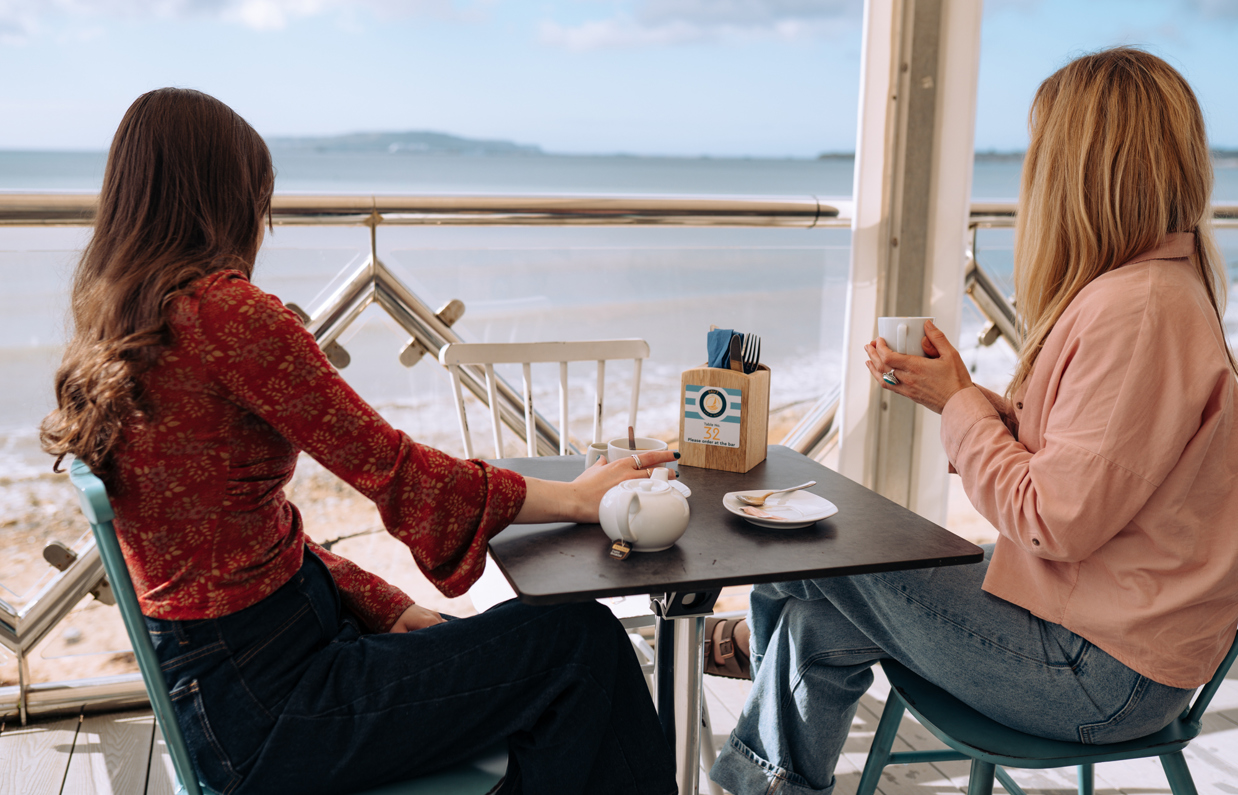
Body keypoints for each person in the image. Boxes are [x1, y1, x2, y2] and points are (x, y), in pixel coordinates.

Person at [40, 87, 677, 795]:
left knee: (537, 654)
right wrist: (581, 499)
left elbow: (242, 538)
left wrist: (384, 603)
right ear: (224, 198)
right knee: (578, 644)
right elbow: (396, 470)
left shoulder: (119, 326)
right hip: (275, 707)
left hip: (227, 697)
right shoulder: (226, 315)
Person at [707, 47, 1238, 795]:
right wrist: (967, 396)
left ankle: (746, 673)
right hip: (1098, 626)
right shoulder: (1157, 290)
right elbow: (1105, 463)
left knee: (817, 547)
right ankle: (761, 766)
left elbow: (1051, 517)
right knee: (810, 624)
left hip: (1099, 669)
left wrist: (960, 406)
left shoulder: (1138, 311)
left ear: (1080, 169)